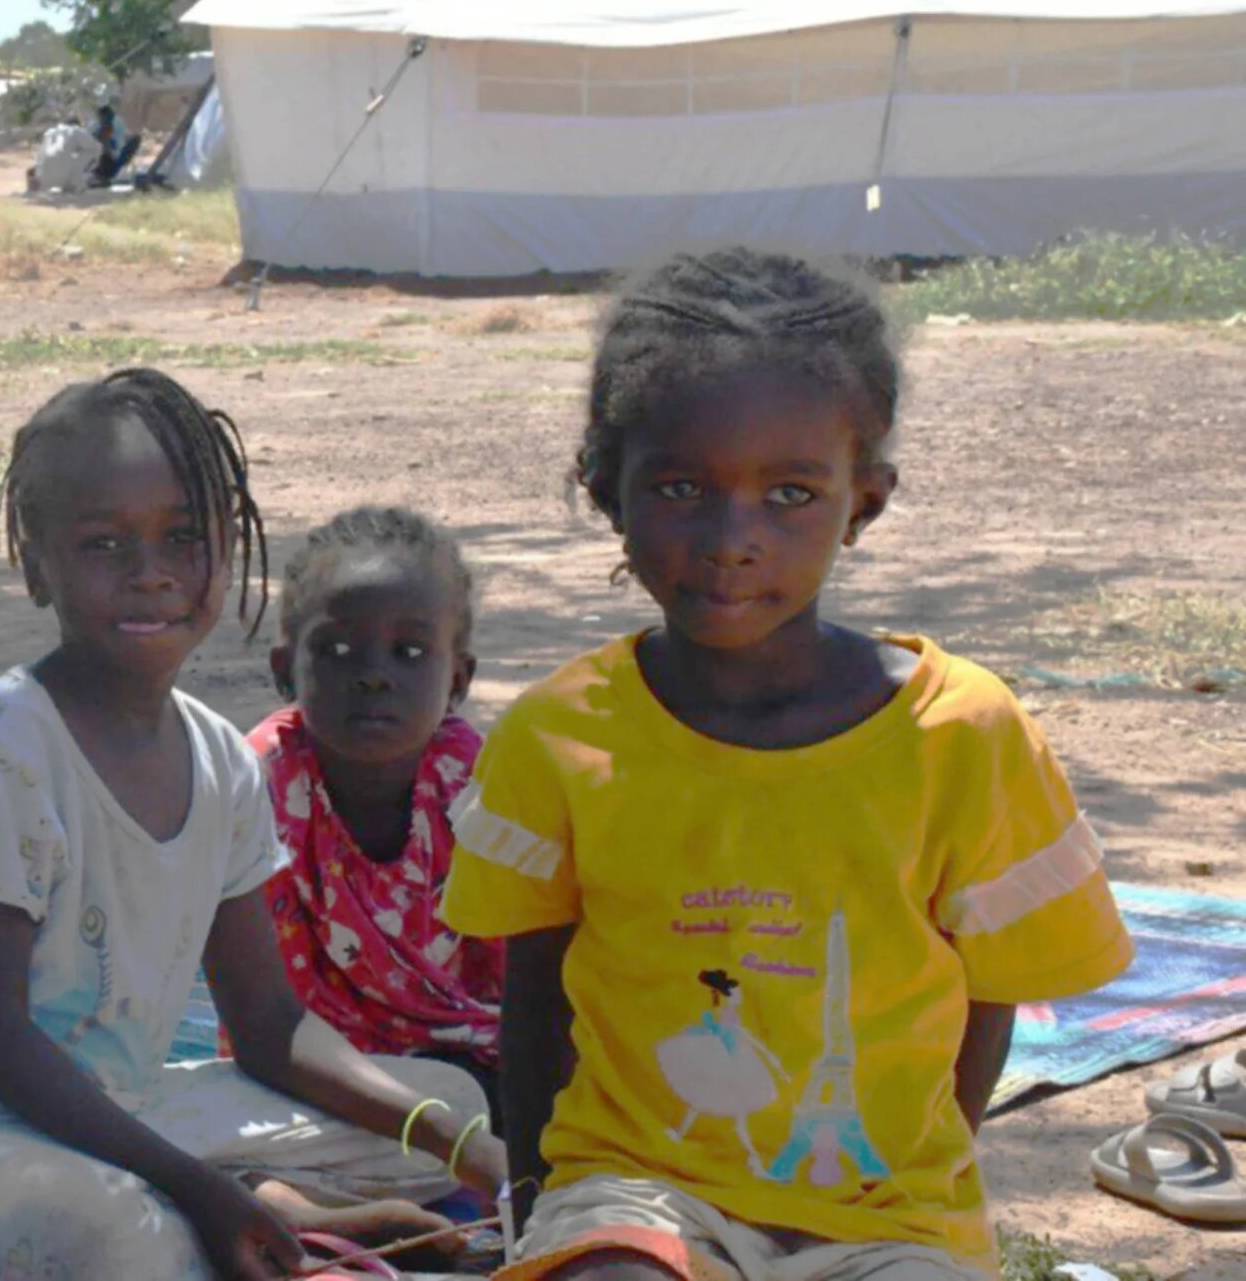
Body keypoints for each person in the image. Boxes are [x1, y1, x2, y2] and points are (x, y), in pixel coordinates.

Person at [442, 249, 1136, 1280]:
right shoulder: (556, 737)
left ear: (863, 502)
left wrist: (910, 1176)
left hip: (887, 1215)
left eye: (789, 493)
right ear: (603, 489)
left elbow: (988, 995)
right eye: (679, 486)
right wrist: (544, 1207)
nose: (731, 539)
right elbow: (534, 994)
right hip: (637, 1190)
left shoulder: (961, 735)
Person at [0, 368, 507, 1281]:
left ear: (225, 552)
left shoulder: (223, 759)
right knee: (119, 1239)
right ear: (37, 564)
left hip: (126, 1110)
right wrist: (188, 1182)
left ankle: (268, 1208)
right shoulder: (8, 739)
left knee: (451, 1098)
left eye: (183, 538)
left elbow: (267, 1022)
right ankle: (254, 1212)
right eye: (106, 543)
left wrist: (457, 1143)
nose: (151, 572)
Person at [248, 508, 503, 1110]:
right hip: (308, 1071)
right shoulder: (257, 784)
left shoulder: (477, 782)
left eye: (409, 652)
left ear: (458, 681)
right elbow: (264, 1016)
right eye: (336, 649)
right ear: (286, 672)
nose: (373, 676)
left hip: (464, 1066)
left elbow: (514, 979)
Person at [89, 103, 142, 188]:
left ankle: (103, 178)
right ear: (100, 118)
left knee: (136, 138)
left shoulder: (115, 125)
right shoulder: (95, 128)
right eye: (105, 118)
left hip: (113, 161)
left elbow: (123, 140)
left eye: (110, 117)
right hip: (101, 163)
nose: (108, 119)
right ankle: (101, 177)